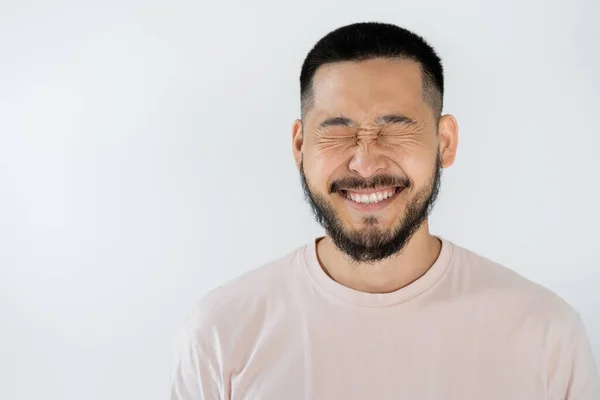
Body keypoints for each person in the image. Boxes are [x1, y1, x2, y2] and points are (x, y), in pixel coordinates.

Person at [170, 22, 599, 399]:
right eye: (338, 133)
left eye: (395, 131)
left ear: (445, 142)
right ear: (300, 146)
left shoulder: (546, 334)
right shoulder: (221, 333)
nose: (365, 162)